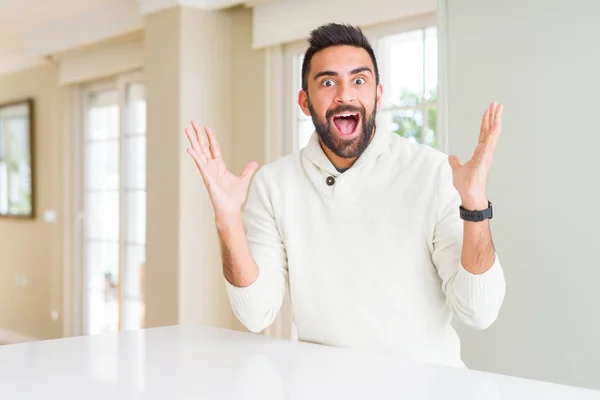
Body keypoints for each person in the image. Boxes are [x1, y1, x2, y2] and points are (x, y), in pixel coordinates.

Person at [184, 22, 506, 368]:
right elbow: (255, 314)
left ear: (378, 95)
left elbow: (479, 311)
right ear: (304, 102)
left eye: (359, 80)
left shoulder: (433, 172)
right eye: (327, 82)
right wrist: (228, 219)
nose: (345, 95)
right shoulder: (274, 184)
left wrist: (474, 206)